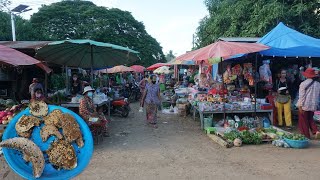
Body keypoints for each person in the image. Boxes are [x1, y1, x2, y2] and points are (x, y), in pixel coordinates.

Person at [296, 68, 320, 139]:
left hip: (304, 105)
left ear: (306, 75)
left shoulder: (303, 84)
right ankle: (316, 131)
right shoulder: (318, 84)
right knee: (310, 119)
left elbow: (302, 96)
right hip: (313, 106)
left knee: (303, 121)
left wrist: (300, 105)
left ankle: (306, 136)